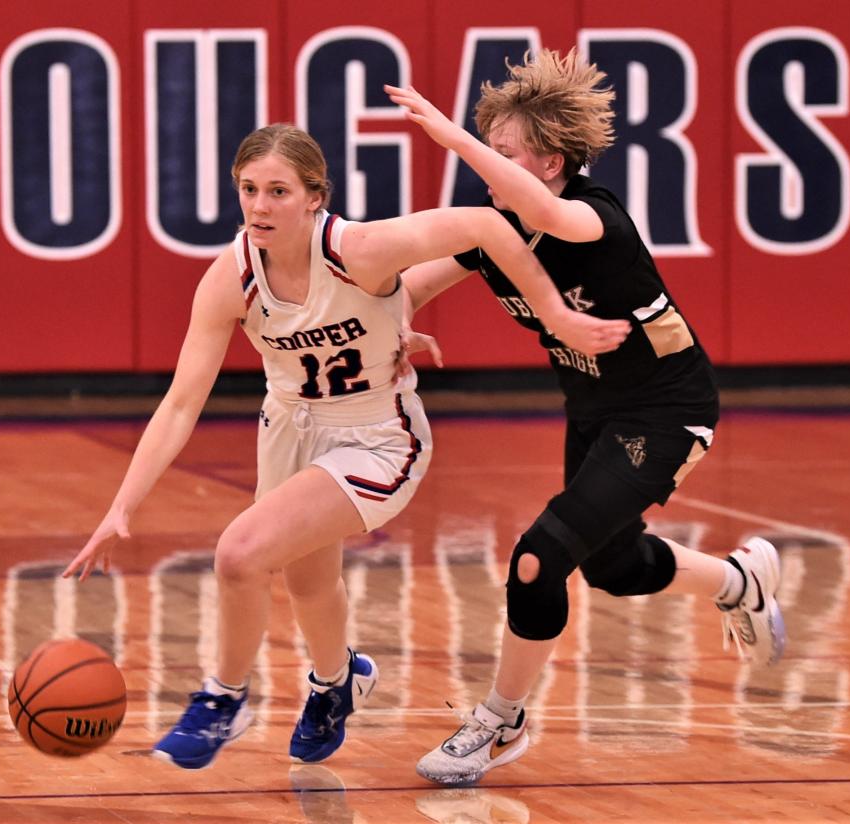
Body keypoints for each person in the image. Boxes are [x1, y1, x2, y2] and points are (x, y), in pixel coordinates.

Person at [62, 123, 630, 771]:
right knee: (308, 580)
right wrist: (121, 508)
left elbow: (485, 226)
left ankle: (223, 699)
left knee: (240, 554)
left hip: (376, 438)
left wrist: (555, 316)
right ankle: (337, 681)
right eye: (248, 189)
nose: (259, 205)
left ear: (313, 196)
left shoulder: (357, 248)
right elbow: (181, 403)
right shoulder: (231, 277)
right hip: (287, 430)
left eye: (278, 190)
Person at [386, 47, 787, 786]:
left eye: (503, 153)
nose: (486, 168)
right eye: (485, 150)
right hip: (595, 410)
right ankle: (739, 581)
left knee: (540, 557)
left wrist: (450, 134)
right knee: (611, 565)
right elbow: (410, 282)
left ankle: (499, 722)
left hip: (667, 409)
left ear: (549, 160)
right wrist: (397, 323)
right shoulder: (496, 228)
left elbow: (543, 212)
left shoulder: (590, 219)